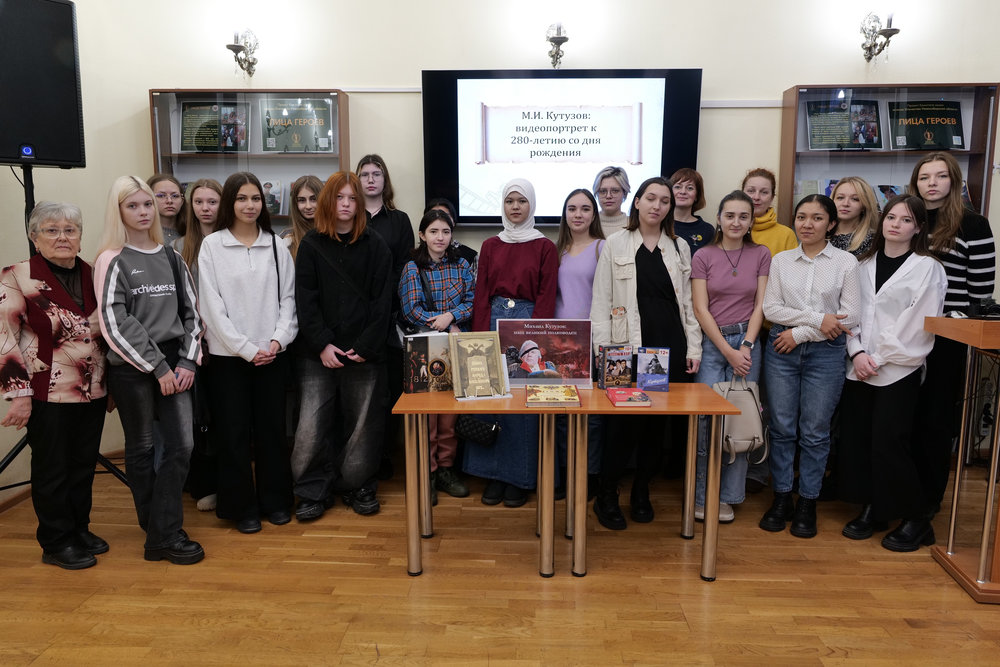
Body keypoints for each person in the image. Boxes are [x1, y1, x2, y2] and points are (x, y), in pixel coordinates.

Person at [95, 176, 204, 565]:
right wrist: (158, 367)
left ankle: (161, 531)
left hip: (176, 362)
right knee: (141, 449)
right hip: (133, 368)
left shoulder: (172, 258)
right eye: (133, 206)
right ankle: (162, 531)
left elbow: (192, 315)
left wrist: (187, 361)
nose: (143, 212)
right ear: (119, 211)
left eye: (147, 205)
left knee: (182, 445)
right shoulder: (111, 259)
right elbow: (115, 322)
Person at [590, 176, 702, 530]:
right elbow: (601, 301)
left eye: (664, 201)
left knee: (655, 426)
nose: (657, 206)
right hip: (625, 348)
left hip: (667, 348)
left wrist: (694, 346)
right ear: (636, 202)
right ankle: (607, 494)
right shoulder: (616, 243)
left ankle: (641, 492)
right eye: (650, 198)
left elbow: (688, 304)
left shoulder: (679, 247)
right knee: (622, 426)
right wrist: (602, 351)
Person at [0, 202, 108, 570]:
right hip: (46, 391)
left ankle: (79, 529)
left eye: (70, 230)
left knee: (83, 465)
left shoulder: (94, 273)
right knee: (53, 469)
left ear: (80, 236)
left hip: (93, 389)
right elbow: (5, 339)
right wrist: (19, 396)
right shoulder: (17, 276)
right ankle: (56, 542)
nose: (62, 237)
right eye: (51, 230)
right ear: (35, 237)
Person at [837, 194, 947, 551]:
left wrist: (877, 357)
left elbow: (917, 323)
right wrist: (857, 353)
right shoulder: (862, 265)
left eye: (906, 220)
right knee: (861, 440)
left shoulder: (927, 268)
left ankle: (917, 519)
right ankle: (875, 508)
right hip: (859, 366)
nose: (895, 224)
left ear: (918, 228)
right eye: (891, 217)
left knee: (890, 443)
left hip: (898, 368)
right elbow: (848, 313)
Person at [197, 172, 298, 534]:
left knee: (272, 431)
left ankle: (276, 501)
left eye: (255, 198)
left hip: (272, 354)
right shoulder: (212, 247)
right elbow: (211, 308)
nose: (250, 205)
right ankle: (241, 508)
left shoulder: (276, 245)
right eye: (242, 198)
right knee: (233, 433)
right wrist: (245, 348)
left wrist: (277, 341)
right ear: (230, 202)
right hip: (229, 358)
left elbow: (288, 300)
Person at [758, 194, 860, 539]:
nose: (807, 224)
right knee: (782, 428)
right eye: (801, 217)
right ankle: (781, 497)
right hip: (781, 351)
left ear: (830, 224)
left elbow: (850, 316)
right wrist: (819, 319)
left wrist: (800, 333)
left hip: (825, 353)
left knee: (815, 431)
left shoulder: (846, 262)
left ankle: (807, 502)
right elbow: (771, 309)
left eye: (817, 218)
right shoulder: (781, 261)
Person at [292, 171, 393, 520]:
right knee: (310, 426)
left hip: (364, 353)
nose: (346, 204)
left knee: (363, 425)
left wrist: (365, 346)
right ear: (328, 202)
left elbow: (383, 303)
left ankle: (358, 485)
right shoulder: (311, 245)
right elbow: (305, 301)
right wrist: (322, 344)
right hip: (317, 352)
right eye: (339, 198)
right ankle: (311, 490)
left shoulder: (376, 245)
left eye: (352, 198)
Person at [909, 152, 996, 522]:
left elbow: (981, 293)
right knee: (904, 416)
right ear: (915, 183)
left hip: (947, 335)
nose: (932, 183)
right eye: (925, 177)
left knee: (936, 418)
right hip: (904, 331)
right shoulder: (906, 218)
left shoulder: (973, 225)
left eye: (940, 176)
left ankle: (928, 498)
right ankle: (900, 490)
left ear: (954, 181)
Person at [465, 178, 558, 507]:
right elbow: (481, 294)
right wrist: (479, 337)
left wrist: (535, 334)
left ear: (531, 205)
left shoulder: (545, 246)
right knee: (492, 400)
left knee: (521, 405)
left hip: (527, 322)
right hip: (492, 319)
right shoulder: (490, 245)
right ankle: (492, 475)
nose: (515, 207)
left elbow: (547, 295)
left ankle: (519, 477)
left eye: (521, 201)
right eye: (509, 201)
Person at [691, 191, 770, 523]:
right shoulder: (703, 255)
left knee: (740, 420)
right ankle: (701, 495)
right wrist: (727, 350)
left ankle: (728, 496)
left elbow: (761, 304)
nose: (736, 222)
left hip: (748, 341)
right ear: (719, 219)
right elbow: (700, 308)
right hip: (713, 343)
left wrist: (746, 346)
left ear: (751, 221)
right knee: (706, 421)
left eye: (743, 216)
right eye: (730, 215)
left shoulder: (761, 254)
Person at [398, 209, 475, 503]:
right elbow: (411, 310)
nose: (440, 237)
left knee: (449, 417)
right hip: (425, 349)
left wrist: (452, 317)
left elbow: (472, 301)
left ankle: (446, 470)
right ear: (422, 235)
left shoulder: (462, 265)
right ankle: (427, 473)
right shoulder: (412, 268)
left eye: (445, 231)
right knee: (428, 416)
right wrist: (441, 322)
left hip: (456, 346)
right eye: (433, 232)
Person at [356, 154, 414, 478]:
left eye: (376, 174)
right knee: (361, 393)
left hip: (390, 315)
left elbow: (405, 267)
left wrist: (382, 297)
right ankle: (361, 457)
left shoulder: (399, 220)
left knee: (389, 390)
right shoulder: (349, 217)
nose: (370, 179)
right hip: (355, 316)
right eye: (364, 174)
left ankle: (385, 456)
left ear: (384, 180)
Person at [554, 188, 606, 498]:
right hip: (560, 343)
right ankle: (564, 474)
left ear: (593, 214)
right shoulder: (557, 249)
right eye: (572, 208)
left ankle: (590, 476)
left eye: (585, 208)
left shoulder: (602, 247)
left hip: (591, 342)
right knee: (561, 413)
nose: (578, 214)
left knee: (592, 416)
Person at [175, 177, 223, 512]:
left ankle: (223, 483)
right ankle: (202, 483)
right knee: (198, 417)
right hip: (192, 345)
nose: (205, 208)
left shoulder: (230, 241)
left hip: (227, 343)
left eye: (212, 202)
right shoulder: (179, 247)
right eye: (199, 202)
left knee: (223, 416)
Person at [743, 168, 797, 257]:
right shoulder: (730, 229)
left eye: (764, 192)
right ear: (742, 194)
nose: (756, 197)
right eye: (751, 191)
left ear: (772, 197)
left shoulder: (786, 235)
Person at [425, 198, 478, 275]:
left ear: (453, 222)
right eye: (433, 215)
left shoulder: (470, 255)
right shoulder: (415, 259)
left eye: (445, 215)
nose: (439, 219)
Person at [830, 176, 880, 257]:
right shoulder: (820, 234)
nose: (845, 203)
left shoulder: (874, 241)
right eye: (840, 198)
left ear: (864, 205)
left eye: (855, 199)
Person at [670, 168, 715, 255]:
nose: (683, 192)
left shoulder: (707, 230)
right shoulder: (660, 224)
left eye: (690, 188)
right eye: (678, 187)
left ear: (697, 195)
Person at [284, 175, 324, 260]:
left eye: (313, 199)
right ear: (295, 204)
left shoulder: (336, 233)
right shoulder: (287, 240)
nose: (308, 206)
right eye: (302, 200)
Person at [147, 174, 187, 246]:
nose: (169, 201)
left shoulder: (191, 232)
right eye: (161, 196)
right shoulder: (143, 235)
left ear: (182, 201)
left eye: (175, 196)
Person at [593, 166, 631, 237]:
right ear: (596, 194)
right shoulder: (587, 224)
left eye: (615, 191)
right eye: (603, 191)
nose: (608, 196)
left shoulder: (635, 226)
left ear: (624, 193)